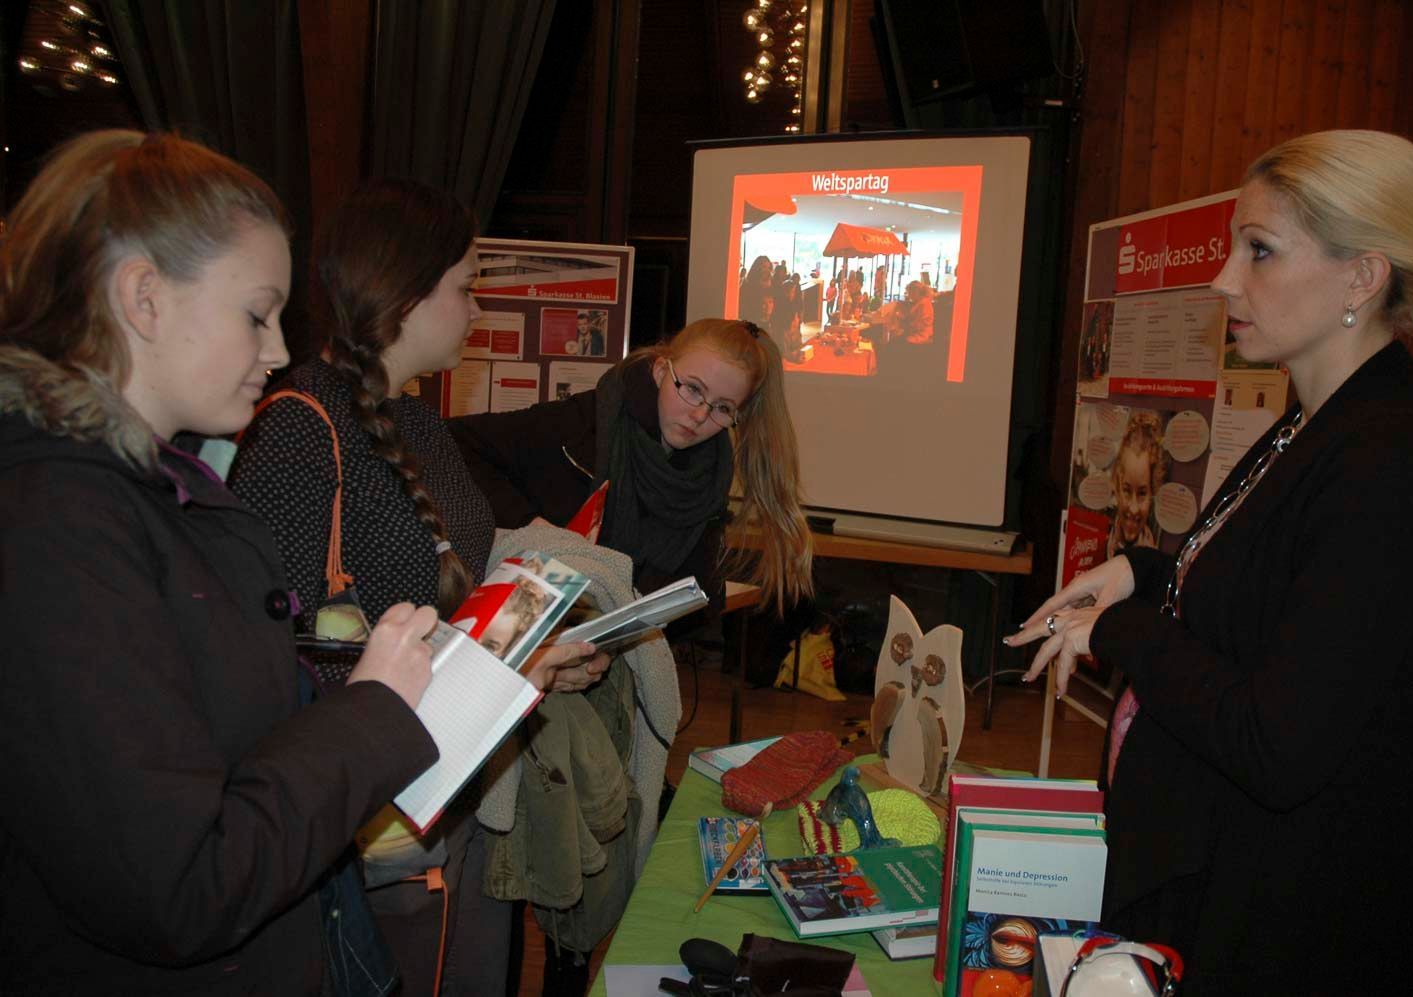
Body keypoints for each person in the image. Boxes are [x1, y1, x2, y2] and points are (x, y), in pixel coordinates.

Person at [1008, 130, 1413, 995]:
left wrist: (1121, 630)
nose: (1224, 279)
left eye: (1260, 250)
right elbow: (1269, 602)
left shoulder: (1401, 462)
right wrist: (1142, 573)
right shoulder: (1316, 423)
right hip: (1224, 885)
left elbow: (1278, 739)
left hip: (1294, 928)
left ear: (1361, 276)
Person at [0, 130, 444, 994]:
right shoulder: (54, 525)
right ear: (144, 298)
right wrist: (373, 711)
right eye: (256, 314)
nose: (276, 351)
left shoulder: (159, 489)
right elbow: (182, 884)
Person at [230, 179, 605, 994]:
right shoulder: (297, 427)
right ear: (404, 293)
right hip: (372, 813)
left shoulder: (422, 423)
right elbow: (280, 662)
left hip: (455, 781)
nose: (477, 310)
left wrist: (529, 651)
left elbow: (447, 594)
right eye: (466, 288)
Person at [451, 317, 815, 625]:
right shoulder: (583, 423)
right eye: (692, 389)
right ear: (660, 370)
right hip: (525, 622)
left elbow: (696, 603)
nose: (700, 415)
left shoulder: (710, 473)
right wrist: (532, 526)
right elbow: (455, 442)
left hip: (612, 647)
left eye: (722, 408)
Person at [1105, 410, 1167, 557]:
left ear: (1152, 493)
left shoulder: (1154, 558)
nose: (1133, 509)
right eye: (1126, 490)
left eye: (1142, 493)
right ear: (1117, 487)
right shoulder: (1098, 540)